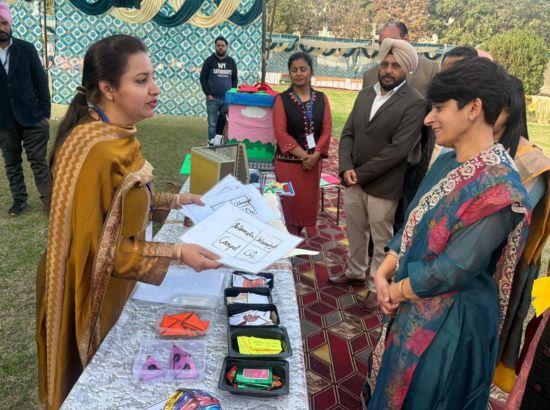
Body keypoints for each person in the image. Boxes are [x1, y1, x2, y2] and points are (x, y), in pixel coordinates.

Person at [35, 35, 221, 409]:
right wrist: (177, 252)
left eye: (152, 77)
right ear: (107, 88)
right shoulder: (95, 149)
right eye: (141, 80)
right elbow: (97, 255)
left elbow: (121, 204)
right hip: (85, 293)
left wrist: (172, 200)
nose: (155, 89)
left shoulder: (117, 134)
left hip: (116, 286)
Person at [364, 57, 531, 409]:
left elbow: (454, 268)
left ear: (474, 108)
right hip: (412, 301)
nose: (429, 118)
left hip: (451, 326)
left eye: (439, 108)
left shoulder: (499, 189)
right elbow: (412, 224)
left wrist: (396, 289)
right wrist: (384, 270)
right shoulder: (446, 161)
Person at [332, 39, 425, 313]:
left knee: (381, 238)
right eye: (385, 64)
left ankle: (376, 287)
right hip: (353, 179)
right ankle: (355, 271)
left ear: (406, 69)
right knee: (355, 230)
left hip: (383, 185)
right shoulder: (366, 93)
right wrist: (345, 166)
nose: (388, 70)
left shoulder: (415, 102)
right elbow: (348, 132)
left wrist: (359, 174)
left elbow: (399, 150)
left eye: (395, 66)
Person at [492, 76, 550, 392]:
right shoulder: (479, 149)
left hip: (504, 268)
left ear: (510, 109)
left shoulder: (532, 161)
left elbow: (513, 221)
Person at [0, 2, 51, 216]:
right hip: (4, 121)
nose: (1, 28)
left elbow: (41, 82)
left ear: (10, 24)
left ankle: (49, 201)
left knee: (38, 161)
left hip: (32, 117)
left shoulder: (26, 48)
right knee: (11, 163)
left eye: (4, 23)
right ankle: (19, 201)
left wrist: (45, 114)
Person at [272, 52, 332, 236]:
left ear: (311, 71)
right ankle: (287, 243)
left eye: (303, 69)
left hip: (312, 166)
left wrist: (316, 155)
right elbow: (280, 133)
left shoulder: (321, 98)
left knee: (305, 206)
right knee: (287, 206)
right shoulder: (281, 99)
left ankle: (297, 239)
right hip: (287, 166)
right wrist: (305, 156)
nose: (298, 73)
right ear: (289, 73)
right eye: (294, 70)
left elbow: (327, 129)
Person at [362, 21, 439, 97]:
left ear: (406, 39)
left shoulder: (430, 70)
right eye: (381, 44)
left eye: (391, 42)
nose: (385, 47)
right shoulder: (369, 75)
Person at [199, 36, 238, 144]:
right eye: (218, 45)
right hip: (212, 99)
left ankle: (221, 143)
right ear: (215, 46)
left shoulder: (231, 62)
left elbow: (234, 79)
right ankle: (211, 144)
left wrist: (232, 94)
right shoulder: (209, 61)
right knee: (212, 124)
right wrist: (207, 93)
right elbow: (202, 78)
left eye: (222, 45)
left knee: (225, 122)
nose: (220, 47)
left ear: (226, 47)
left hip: (226, 99)